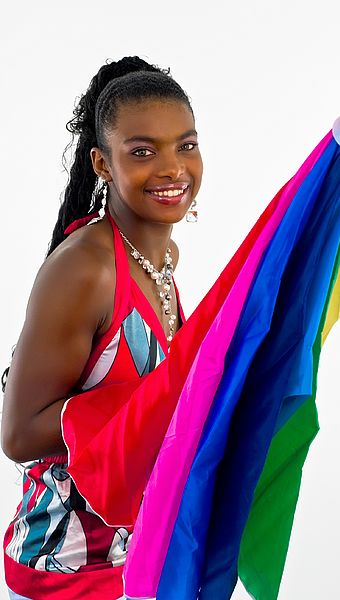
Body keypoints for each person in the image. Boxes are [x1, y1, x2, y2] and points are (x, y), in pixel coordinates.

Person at [1, 55, 203, 600]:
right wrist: (161, 399)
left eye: (186, 144)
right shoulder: (85, 268)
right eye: (142, 151)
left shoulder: (164, 258)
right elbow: (18, 435)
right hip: (66, 570)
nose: (173, 168)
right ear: (103, 163)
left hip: (142, 561)